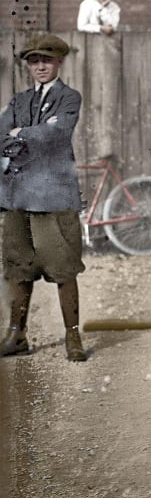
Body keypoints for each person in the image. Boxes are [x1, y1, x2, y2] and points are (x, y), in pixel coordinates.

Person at [0, 34, 88, 361]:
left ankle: (73, 338)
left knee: (64, 268)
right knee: (17, 267)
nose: (40, 66)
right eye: (34, 61)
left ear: (59, 62)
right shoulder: (19, 102)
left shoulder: (69, 98)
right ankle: (16, 334)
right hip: (18, 197)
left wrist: (19, 134)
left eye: (46, 60)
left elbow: (57, 133)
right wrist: (18, 137)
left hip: (54, 198)